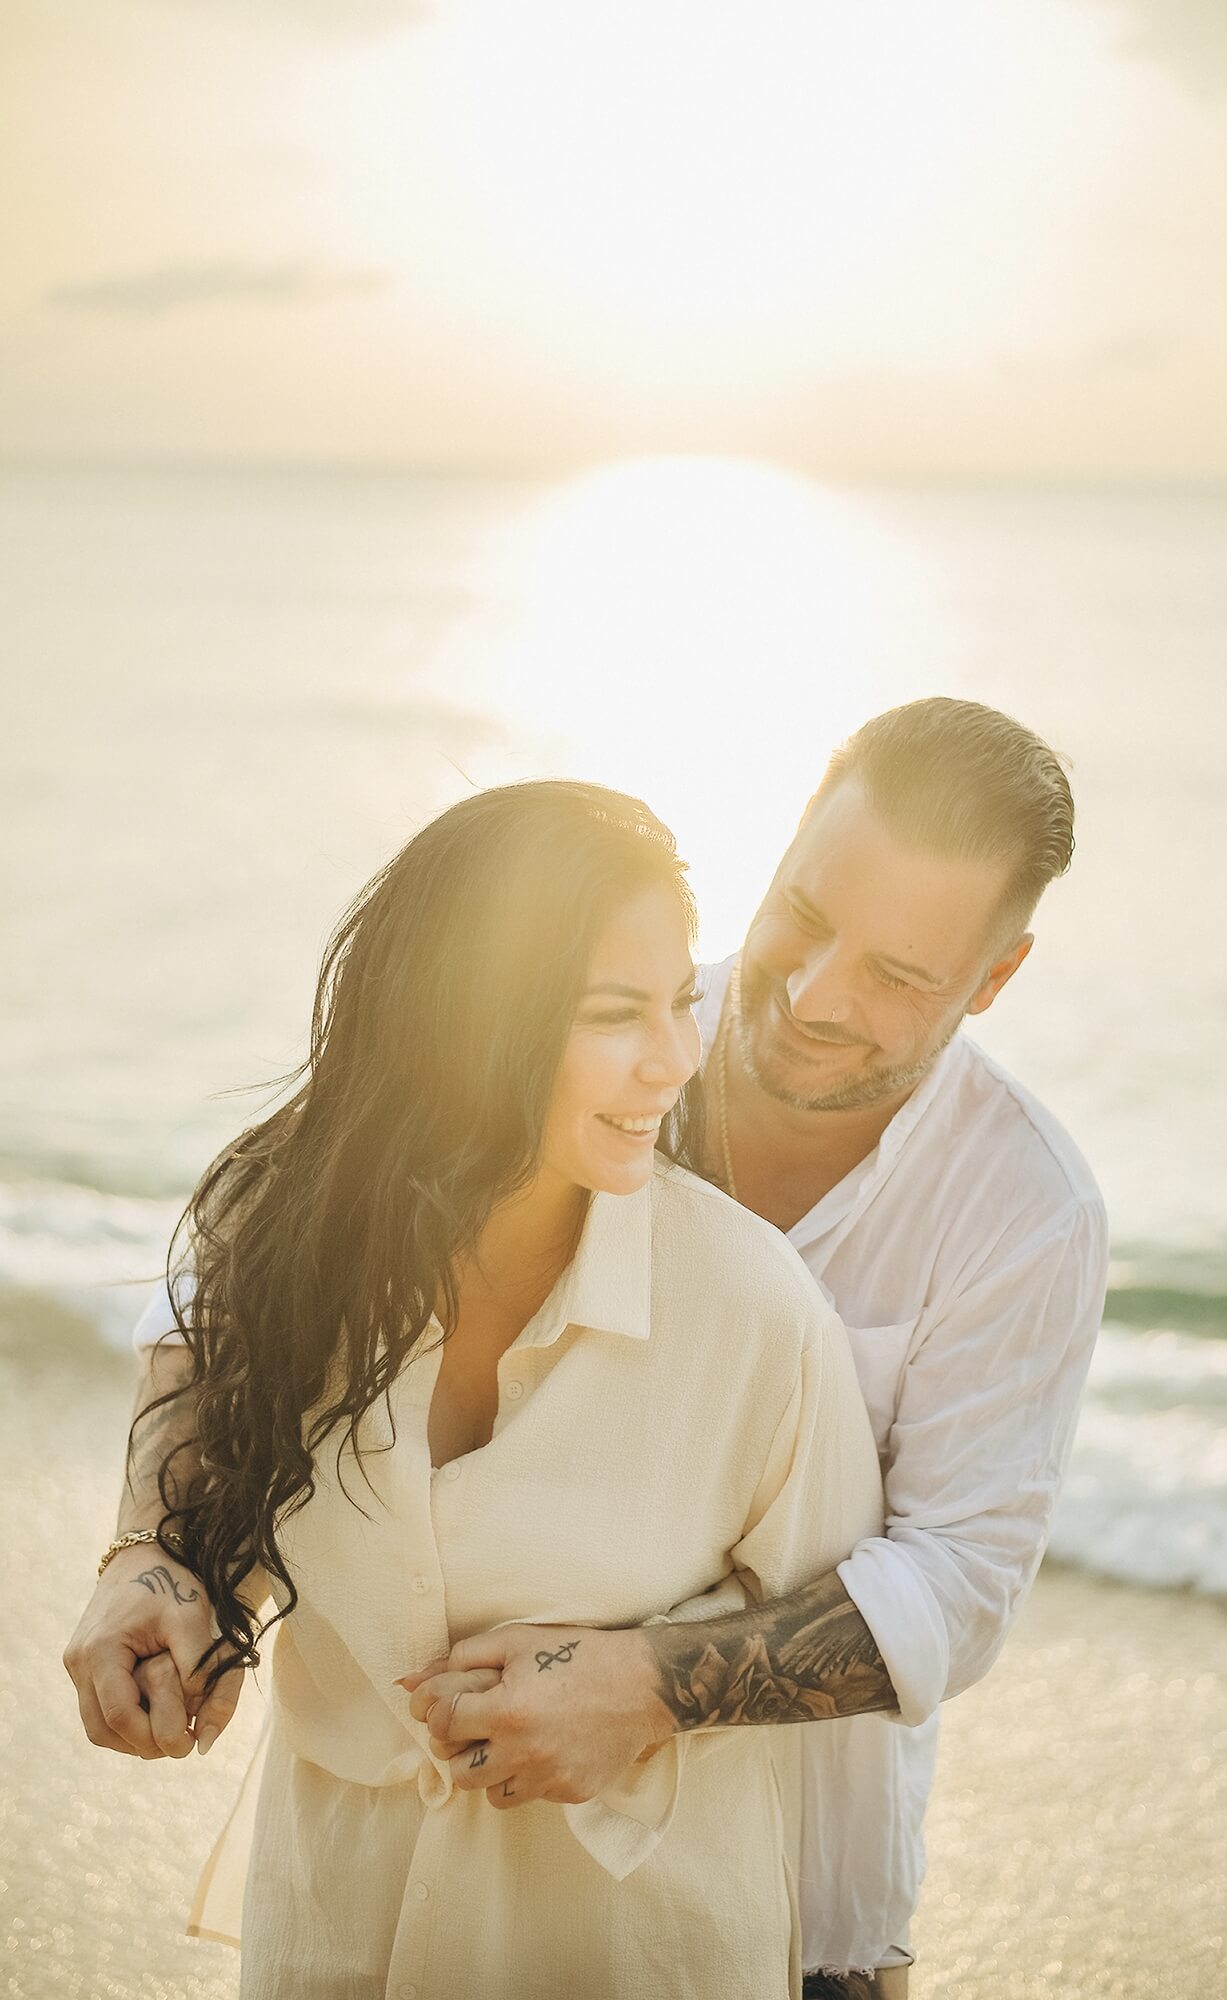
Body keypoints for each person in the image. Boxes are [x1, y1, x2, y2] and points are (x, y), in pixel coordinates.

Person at [65, 779, 885, 1999]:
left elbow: (854, 1631)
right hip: (334, 1927)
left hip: (637, 1952)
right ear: (472, 1020)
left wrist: (656, 1687)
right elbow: (212, 1397)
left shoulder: (751, 1311)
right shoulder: (272, 1229)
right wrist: (157, 1559)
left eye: (678, 1003)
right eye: (618, 1013)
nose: (675, 1058)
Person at [387, 700, 1110, 1997]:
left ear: (993, 981)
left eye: (897, 976)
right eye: (805, 916)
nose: (815, 997)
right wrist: (159, 1550)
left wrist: (647, 1687)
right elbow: (296, 1236)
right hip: (469, 1855)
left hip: (797, 1900)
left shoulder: (1026, 1211)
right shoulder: (587, 1034)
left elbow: (957, 1584)